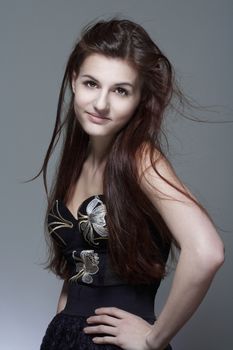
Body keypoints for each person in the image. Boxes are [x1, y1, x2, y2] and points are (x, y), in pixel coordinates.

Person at [36, 17, 225, 350]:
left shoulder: (141, 159)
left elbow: (207, 252)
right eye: (91, 84)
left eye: (120, 90)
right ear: (74, 80)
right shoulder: (77, 162)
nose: (101, 103)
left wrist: (154, 339)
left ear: (139, 99)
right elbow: (77, 267)